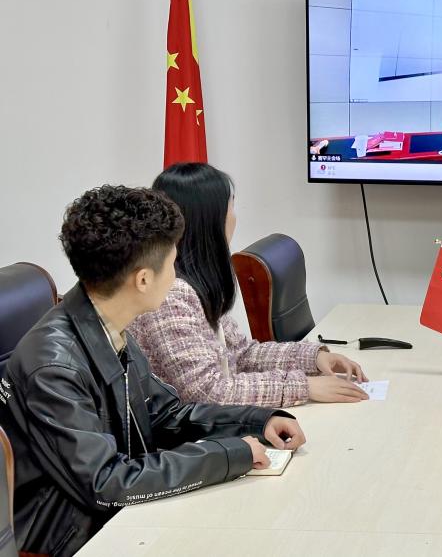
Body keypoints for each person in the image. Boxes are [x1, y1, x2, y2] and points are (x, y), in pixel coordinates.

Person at [0, 185, 308, 556]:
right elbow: (106, 484)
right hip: (70, 536)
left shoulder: (105, 323)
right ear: (143, 279)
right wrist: (228, 456)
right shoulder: (53, 365)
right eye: (172, 264)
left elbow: (166, 415)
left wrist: (257, 421)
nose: (177, 276)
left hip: (115, 514)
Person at [130, 163, 368, 408]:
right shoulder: (170, 295)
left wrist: (314, 358)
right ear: (210, 220)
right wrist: (305, 386)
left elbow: (242, 355)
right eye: (231, 206)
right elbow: (209, 393)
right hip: (189, 429)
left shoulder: (195, 282)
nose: (234, 217)